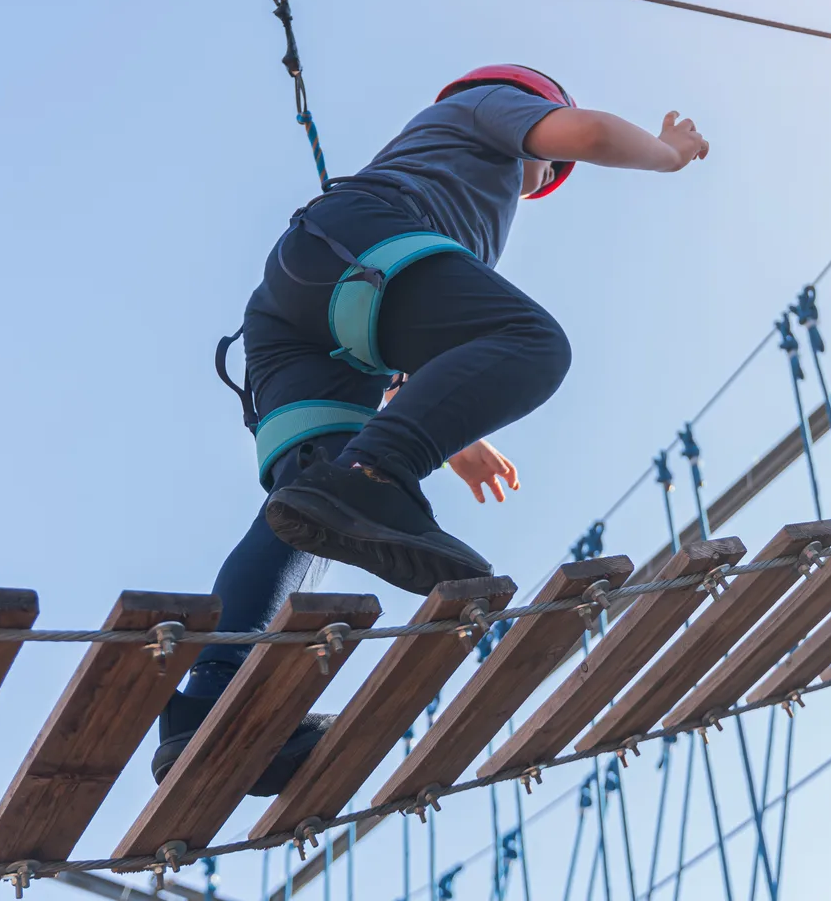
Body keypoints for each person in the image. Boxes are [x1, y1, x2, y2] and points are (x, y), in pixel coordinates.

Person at [154, 64, 709, 788]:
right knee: (534, 344)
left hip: (306, 309)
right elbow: (594, 132)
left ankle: (206, 700)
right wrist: (668, 152)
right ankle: (375, 475)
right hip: (360, 249)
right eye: (547, 165)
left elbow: (422, 339)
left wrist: (459, 439)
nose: (542, 178)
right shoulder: (490, 107)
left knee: (302, 507)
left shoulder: (453, 189)